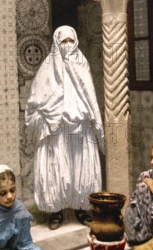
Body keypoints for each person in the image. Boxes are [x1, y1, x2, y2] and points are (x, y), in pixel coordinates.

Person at [25, 25, 104, 230]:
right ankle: (55, 212)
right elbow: (36, 99)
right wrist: (46, 116)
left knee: (81, 169)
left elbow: (90, 95)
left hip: (80, 126)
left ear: (75, 42)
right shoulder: (47, 67)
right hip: (56, 128)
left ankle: (81, 208)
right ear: (56, 43)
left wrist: (93, 118)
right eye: (63, 42)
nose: (67, 45)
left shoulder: (82, 63)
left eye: (71, 41)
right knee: (57, 169)